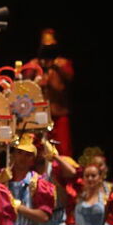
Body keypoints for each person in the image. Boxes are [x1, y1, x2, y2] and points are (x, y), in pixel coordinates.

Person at [23, 29, 74, 157]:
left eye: (51, 47)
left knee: (63, 149)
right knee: (36, 148)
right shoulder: (33, 65)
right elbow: (23, 83)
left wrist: (55, 65)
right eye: (45, 47)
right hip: (38, 118)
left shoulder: (63, 64)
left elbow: (70, 77)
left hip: (58, 115)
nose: (48, 50)